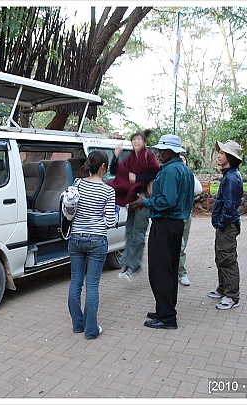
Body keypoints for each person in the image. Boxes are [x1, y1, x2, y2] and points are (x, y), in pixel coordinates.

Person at [130, 134, 195, 329]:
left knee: (160, 271)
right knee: (169, 268)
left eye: (162, 150)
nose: (158, 153)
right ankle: (165, 308)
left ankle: (167, 317)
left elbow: (167, 201)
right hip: (176, 224)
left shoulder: (170, 172)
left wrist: (145, 202)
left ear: (172, 151)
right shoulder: (184, 170)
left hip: (165, 223)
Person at [68, 150, 117, 339]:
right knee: (92, 285)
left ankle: (78, 325)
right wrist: (98, 223)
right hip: (97, 240)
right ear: (103, 166)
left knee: (75, 283)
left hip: (76, 238)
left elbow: (70, 208)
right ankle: (90, 330)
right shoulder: (108, 190)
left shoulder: (77, 184)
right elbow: (110, 221)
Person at [107, 129, 159, 282]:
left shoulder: (148, 155)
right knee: (129, 231)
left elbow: (156, 172)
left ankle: (135, 266)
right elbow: (116, 172)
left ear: (144, 142)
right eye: (134, 140)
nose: (136, 142)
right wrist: (116, 156)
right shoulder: (130, 157)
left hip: (143, 197)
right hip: (132, 197)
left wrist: (138, 177)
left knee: (138, 233)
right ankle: (127, 264)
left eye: (139, 140)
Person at [207, 140, 244, 310]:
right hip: (225, 225)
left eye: (222, 153)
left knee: (227, 259)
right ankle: (223, 289)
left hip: (228, 225)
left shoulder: (231, 177)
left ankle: (232, 296)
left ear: (229, 156)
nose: (219, 156)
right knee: (221, 257)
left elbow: (229, 205)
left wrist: (221, 223)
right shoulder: (229, 175)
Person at [178, 154, 203, 286]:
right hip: (175, 216)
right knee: (179, 245)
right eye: (179, 159)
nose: (181, 161)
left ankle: (180, 272)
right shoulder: (172, 174)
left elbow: (198, 189)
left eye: (183, 160)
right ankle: (181, 272)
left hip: (186, 214)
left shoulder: (189, 175)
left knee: (183, 244)